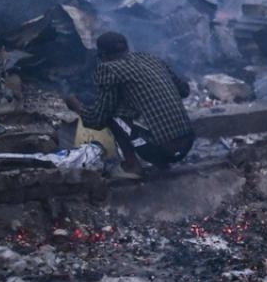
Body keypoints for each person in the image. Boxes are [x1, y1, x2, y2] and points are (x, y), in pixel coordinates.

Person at [64, 32, 194, 178]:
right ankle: (161, 164)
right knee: (133, 112)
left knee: (111, 114)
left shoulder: (109, 69)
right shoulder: (150, 58)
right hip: (187, 143)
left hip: (160, 151)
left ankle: (132, 166)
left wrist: (75, 105)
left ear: (103, 55)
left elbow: (97, 119)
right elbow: (184, 91)